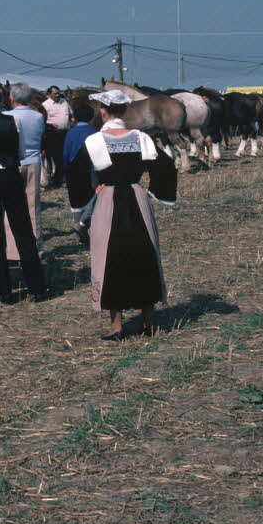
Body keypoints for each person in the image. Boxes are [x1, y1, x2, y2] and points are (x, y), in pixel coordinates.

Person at [67, 89, 177, 341]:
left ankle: (117, 326)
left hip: (108, 201)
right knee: (144, 254)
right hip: (137, 197)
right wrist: (154, 192)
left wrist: (86, 196)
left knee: (109, 257)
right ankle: (148, 322)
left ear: (103, 111)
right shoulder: (141, 138)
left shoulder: (94, 141)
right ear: (125, 111)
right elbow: (165, 165)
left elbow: (74, 173)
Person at [0, 85, 49, 303]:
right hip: (10, 172)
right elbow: (18, 149)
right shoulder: (11, 121)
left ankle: (4, 289)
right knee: (23, 228)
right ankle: (37, 286)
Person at [4, 83, 45, 260]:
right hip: (34, 161)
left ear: (11, 98)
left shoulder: (7, 116)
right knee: (33, 205)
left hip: (13, 162)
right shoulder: (38, 117)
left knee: (10, 206)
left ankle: (12, 250)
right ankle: (35, 248)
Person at [63, 102, 98, 239]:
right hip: (91, 170)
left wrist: (65, 170)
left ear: (75, 117)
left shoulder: (70, 133)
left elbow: (66, 154)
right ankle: (87, 225)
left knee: (76, 198)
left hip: (73, 170)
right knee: (91, 197)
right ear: (91, 117)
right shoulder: (95, 132)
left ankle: (77, 223)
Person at [41, 85, 72, 188]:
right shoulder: (45, 105)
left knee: (64, 157)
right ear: (49, 94)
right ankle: (55, 180)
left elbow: (71, 114)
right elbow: (42, 121)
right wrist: (50, 125)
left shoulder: (64, 102)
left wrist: (72, 118)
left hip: (65, 133)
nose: (57, 95)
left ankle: (63, 179)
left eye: (58, 93)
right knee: (55, 158)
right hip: (52, 134)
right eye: (55, 93)